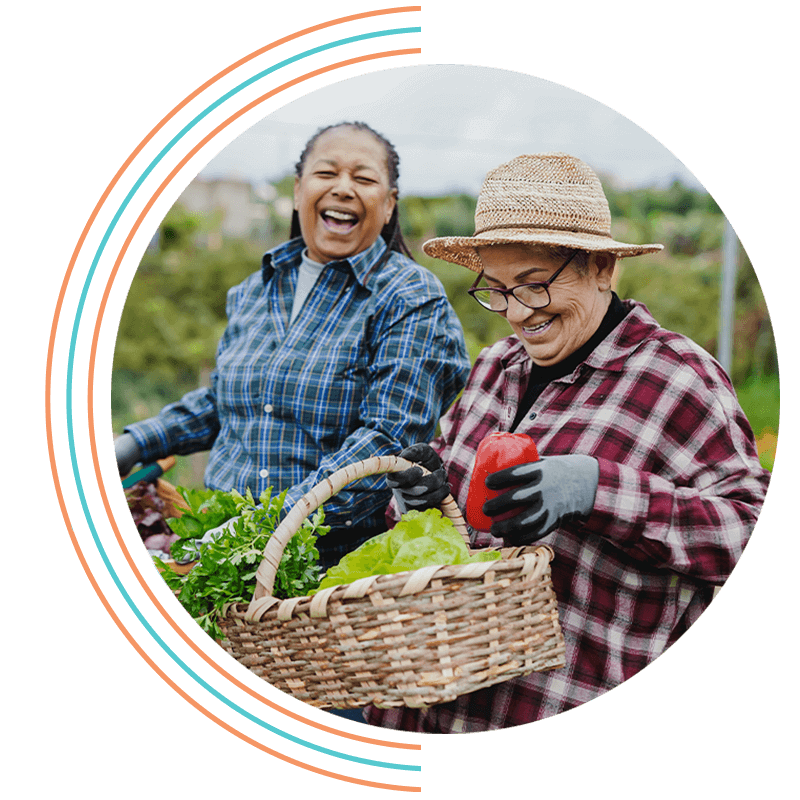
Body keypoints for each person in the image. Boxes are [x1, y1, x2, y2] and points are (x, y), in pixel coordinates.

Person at [364, 152, 771, 733]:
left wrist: (599, 490)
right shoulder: (495, 367)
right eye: (497, 289)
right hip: (429, 713)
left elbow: (742, 529)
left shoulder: (675, 377)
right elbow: (453, 525)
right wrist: (419, 503)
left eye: (534, 285)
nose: (515, 312)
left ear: (602, 267)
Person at [115, 121, 471, 572]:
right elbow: (224, 401)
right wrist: (135, 443)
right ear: (300, 189)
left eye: (363, 178)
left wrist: (262, 528)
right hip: (212, 552)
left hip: (326, 569)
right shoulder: (255, 290)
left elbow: (387, 440)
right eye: (327, 173)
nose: (343, 188)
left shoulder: (410, 297)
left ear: (388, 205)